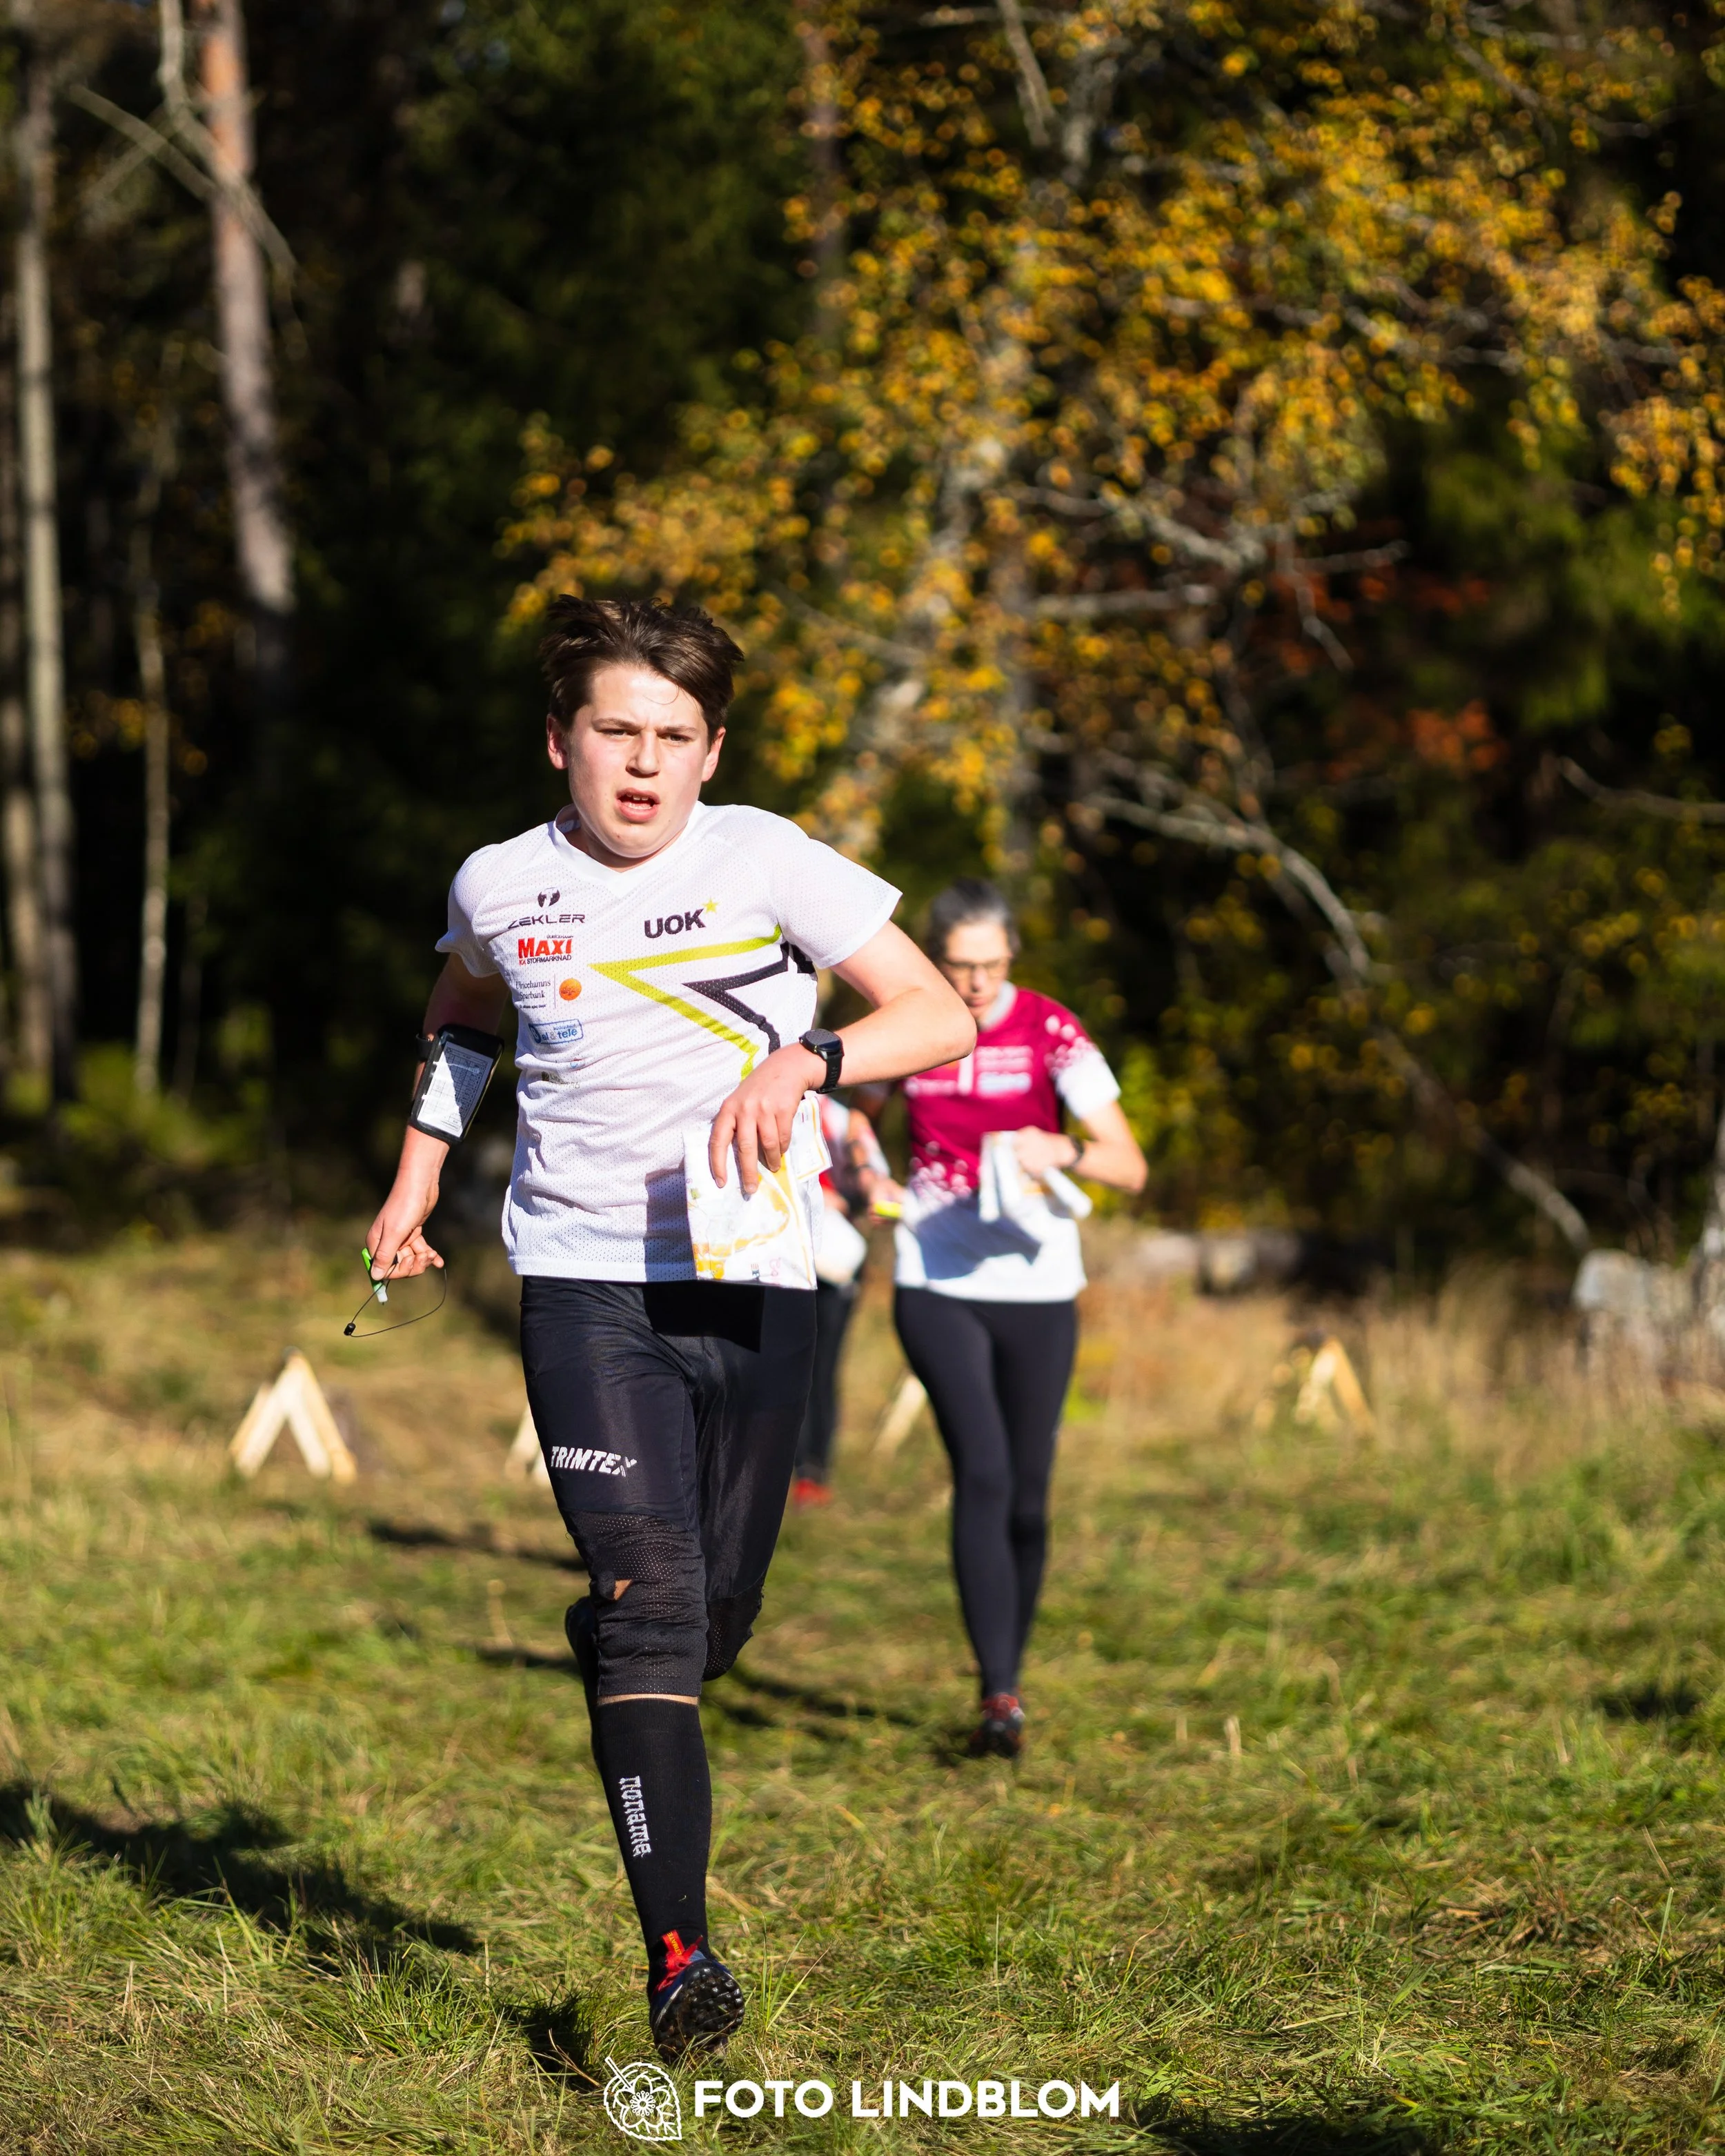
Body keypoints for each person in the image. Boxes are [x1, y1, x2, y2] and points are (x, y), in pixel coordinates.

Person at [363, 596, 972, 2061]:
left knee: (717, 1620)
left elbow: (936, 1013)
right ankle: (678, 1955)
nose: (642, 764)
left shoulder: (766, 856)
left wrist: (808, 1059)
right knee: (652, 1602)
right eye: (615, 731)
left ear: (712, 751)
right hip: (582, 1283)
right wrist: (417, 1175)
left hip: (754, 1277)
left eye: (673, 737)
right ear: (559, 740)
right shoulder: (500, 882)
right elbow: (463, 1018)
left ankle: (649, 1643)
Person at [889, 879, 1147, 1759]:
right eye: (957, 965)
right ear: (933, 957)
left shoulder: (1050, 1029)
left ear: (1011, 957)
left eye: (990, 965)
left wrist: (1059, 1146)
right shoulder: (909, 1019)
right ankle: (997, 1693)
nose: (973, 983)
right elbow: (849, 1119)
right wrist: (860, 1169)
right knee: (985, 1471)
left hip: (1038, 1283)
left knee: (1029, 1496)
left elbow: (1129, 1164)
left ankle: (1012, 1671)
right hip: (934, 1274)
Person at [791, 1092, 893, 1508]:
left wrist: (843, 1200)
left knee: (822, 1368)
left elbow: (876, 1193)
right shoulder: (765, 1101)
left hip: (833, 1266)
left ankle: (813, 1471)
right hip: (777, 1261)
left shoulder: (847, 1123)